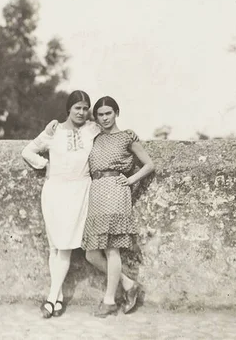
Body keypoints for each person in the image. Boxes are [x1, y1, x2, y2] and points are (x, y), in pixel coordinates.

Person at [21, 90, 100, 319]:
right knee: (55, 246)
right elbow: (27, 151)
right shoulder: (53, 131)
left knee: (64, 246)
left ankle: (50, 298)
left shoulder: (92, 130)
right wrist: (43, 164)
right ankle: (58, 300)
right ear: (69, 109)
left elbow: (111, 129)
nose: (82, 112)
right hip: (54, 191)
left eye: (86, 108)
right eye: (78, 108)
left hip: (79, 191)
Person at [82, 96, 155, 317]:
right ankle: (129, 284)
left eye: (109, 113)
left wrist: (132, 180)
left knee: (111, 248)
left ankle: (109, 301)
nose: (105, 118)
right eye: (100, 114)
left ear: (116, 113)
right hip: (96, 192)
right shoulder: (94, 138)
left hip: (115, 190)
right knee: (91, 254)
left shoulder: (126, 137)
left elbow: (150, 164)